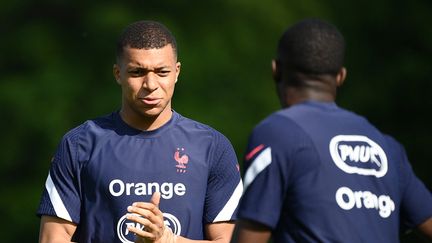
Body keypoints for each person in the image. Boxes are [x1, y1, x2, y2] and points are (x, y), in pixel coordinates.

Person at [37, 20, 243, 243]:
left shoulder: (212, 147)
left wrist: (167, 240)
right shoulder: (78, 145)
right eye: (137, 72)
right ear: (118, 74)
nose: (150, 84)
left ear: (177, 72)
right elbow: (51, 239)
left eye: (162, 72)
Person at [232, 18, 432, 242]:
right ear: (341, 76)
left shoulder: (275, 134)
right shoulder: (387, 146)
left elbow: (250, 238)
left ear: (276, 70)